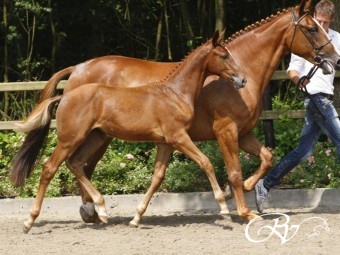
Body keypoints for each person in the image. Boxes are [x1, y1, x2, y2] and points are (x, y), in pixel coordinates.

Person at [255, 0, 340, 213]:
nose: (321, 25)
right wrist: (299, 81)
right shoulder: (305, 37)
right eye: (318, 21)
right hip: (314, 96)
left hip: (325, 96)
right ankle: (265, 185)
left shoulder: (337, 39)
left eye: (325, 22)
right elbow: (293, 69)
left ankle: (265, 184)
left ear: (331, 20)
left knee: (303, 151)